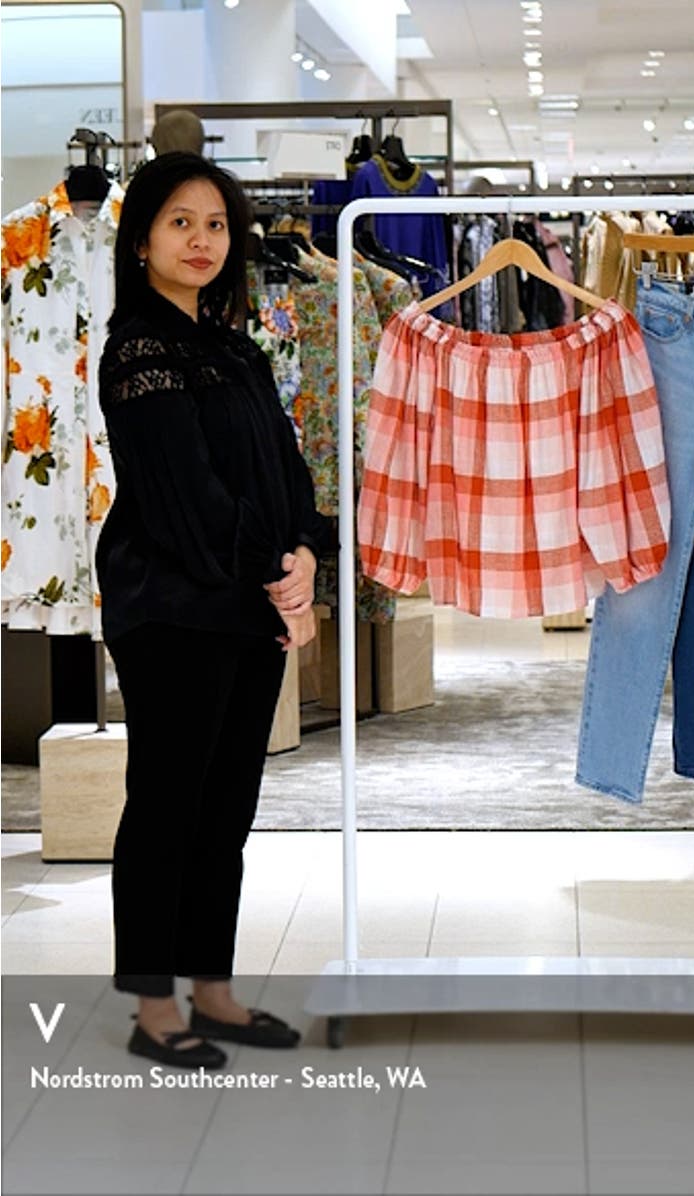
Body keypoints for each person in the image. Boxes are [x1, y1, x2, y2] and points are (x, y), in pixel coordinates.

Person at [96, 152, 329, 1069]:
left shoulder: (235, 349)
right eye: (181, 223)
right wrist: (276, 575)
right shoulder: (139, 350)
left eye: (217, 225)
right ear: (144, 238)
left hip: (246, 607)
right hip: (173, 610)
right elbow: (185, 499)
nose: (202, 241)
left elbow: (288, 467)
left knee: (226, 808)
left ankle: (215, 990)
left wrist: (307, 553)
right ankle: (155, 1009)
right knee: (167, 807)